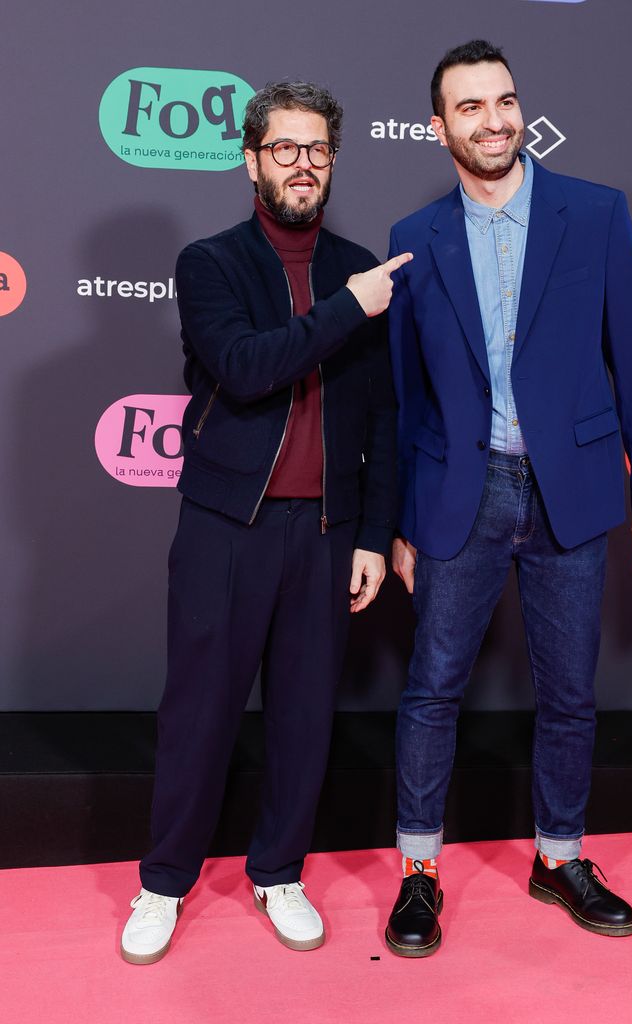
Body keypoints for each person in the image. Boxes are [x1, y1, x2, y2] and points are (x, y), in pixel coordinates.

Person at [384, 40, 632, 957]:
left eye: (504, 100)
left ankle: (559, 858)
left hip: (572, 492)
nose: (494, 119)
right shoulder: (413, 238)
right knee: (432, 691)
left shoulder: (595, 213)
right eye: (470, 107)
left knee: (570, 694)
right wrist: (399, 521)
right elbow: (404, 399)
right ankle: (419, 875)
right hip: (457, 496)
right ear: (440, 128)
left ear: (521, 109)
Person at [121, 80, 409, 964]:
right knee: (201, 712)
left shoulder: (357, 265)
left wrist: (370, 531)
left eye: (317, 150)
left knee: (303, 715)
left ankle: (278, 870)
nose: (303, 165)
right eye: (284, 149)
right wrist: (347, 309)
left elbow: (385, 417)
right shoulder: (211, 263)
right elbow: (246, 369)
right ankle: (163, 883)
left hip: (324, 535)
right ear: (251, 160)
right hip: (226, 526)